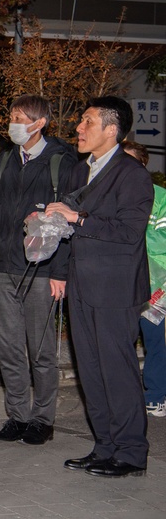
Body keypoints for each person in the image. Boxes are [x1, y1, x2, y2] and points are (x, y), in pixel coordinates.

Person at [46, 97, 153, 478]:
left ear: (112, 130)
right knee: (90, 370)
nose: (78, 128)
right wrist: (48, 222)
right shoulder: (79, 171)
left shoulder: (133, 175)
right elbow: (66, 228)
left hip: (115, 289)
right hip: (81, 284)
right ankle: (105, 446)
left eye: (87, 122)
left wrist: (77, 217)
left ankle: (130, 453)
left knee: (117, 370)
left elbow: (128, 233)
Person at [0, 95, 76, 445]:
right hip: (4, 268)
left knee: (42, 350)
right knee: (10, 348)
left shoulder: (61, 163)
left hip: (42, 270)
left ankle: (43, 419)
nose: (13, 123)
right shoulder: (2, 162)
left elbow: (66, 224)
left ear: (39, 123)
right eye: (13, 116)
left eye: (20, 117)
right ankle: (17, 416)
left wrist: (60, 272)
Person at [121, 140, 166, 419]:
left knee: (155, 342)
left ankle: (155, 396)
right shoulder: (109, 195)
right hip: (118, 286)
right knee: (119, 343)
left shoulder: (160, 198)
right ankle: (124, 398)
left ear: (142, 165)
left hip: (153, 287)